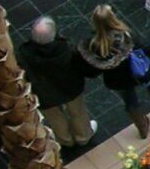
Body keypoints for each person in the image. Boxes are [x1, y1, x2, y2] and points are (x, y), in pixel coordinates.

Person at [78, 4, 150, 138]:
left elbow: (94, 66)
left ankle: (142, 127)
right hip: (138, 70)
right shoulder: (125, 35)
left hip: (118, 79)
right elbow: (146, 48)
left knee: (130, 101)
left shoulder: (94, 44)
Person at [20, 16, 96, 148]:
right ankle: (83, 136)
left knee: (55, 117)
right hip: (69, 87)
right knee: (77, 111)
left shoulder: (24, 52)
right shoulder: (65, 47)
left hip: (43, 93)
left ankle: (65, 140)